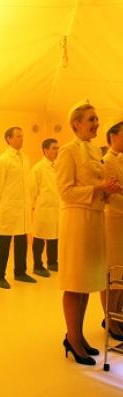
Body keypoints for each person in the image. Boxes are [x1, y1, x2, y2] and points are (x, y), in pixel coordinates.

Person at [55, 101, 121, 365]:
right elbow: (66, 191)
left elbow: (98, 187)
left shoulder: (94, 150)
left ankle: (78, 337)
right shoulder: (67, 151)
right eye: (91, 119)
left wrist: (107, 190)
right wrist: (98, 189)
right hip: (76, 222)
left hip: (93, 221)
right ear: (76, 125)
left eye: (97, 119)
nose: (96, 124)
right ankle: (72, 339)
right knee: (74, 283)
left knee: (85, 284)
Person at [0, 127, 36, 289]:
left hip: (23, 207)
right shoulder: (3, 160)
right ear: (8, 139)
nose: (21, 139)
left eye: (22, 136)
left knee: (22, 240)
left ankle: (20, 272)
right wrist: (4, 204)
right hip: (9, 207)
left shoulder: (25, 158)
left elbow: (27, 183)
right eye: (18, 136)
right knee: (4, 240)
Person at [101, 121, 123, 340]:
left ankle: (117, 315)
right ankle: (110, 319)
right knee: (112, 272)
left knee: (122, 273)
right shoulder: (106, 161)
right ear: (113, 136)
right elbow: (111, 195)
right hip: (114, 222)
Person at [29, 138, 59, 277]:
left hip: (56, 208)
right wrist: (35, 206)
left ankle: (52, 262)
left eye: (57, 148)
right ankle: (38, 265)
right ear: (45, 150)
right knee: (40, 237)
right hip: (42, 208)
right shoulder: (38, 168)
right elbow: (32, 190)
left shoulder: (58, 166)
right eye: (54, 148)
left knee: (54, 236)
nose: (56, 151)